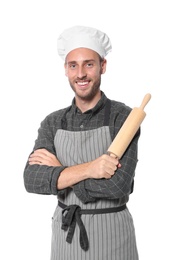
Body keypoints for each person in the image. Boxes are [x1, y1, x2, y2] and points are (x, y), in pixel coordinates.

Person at [23, 25, 140, 260]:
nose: (81, 74)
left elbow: (118, 186)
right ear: (65, 70)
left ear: (102, 66)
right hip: (66, 237)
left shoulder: (124, 117)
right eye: (73, 65)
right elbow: (32, 180)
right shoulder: (53, 122)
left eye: (89, 64)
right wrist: (91, 169)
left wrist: (59, 173)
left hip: (113, 237)